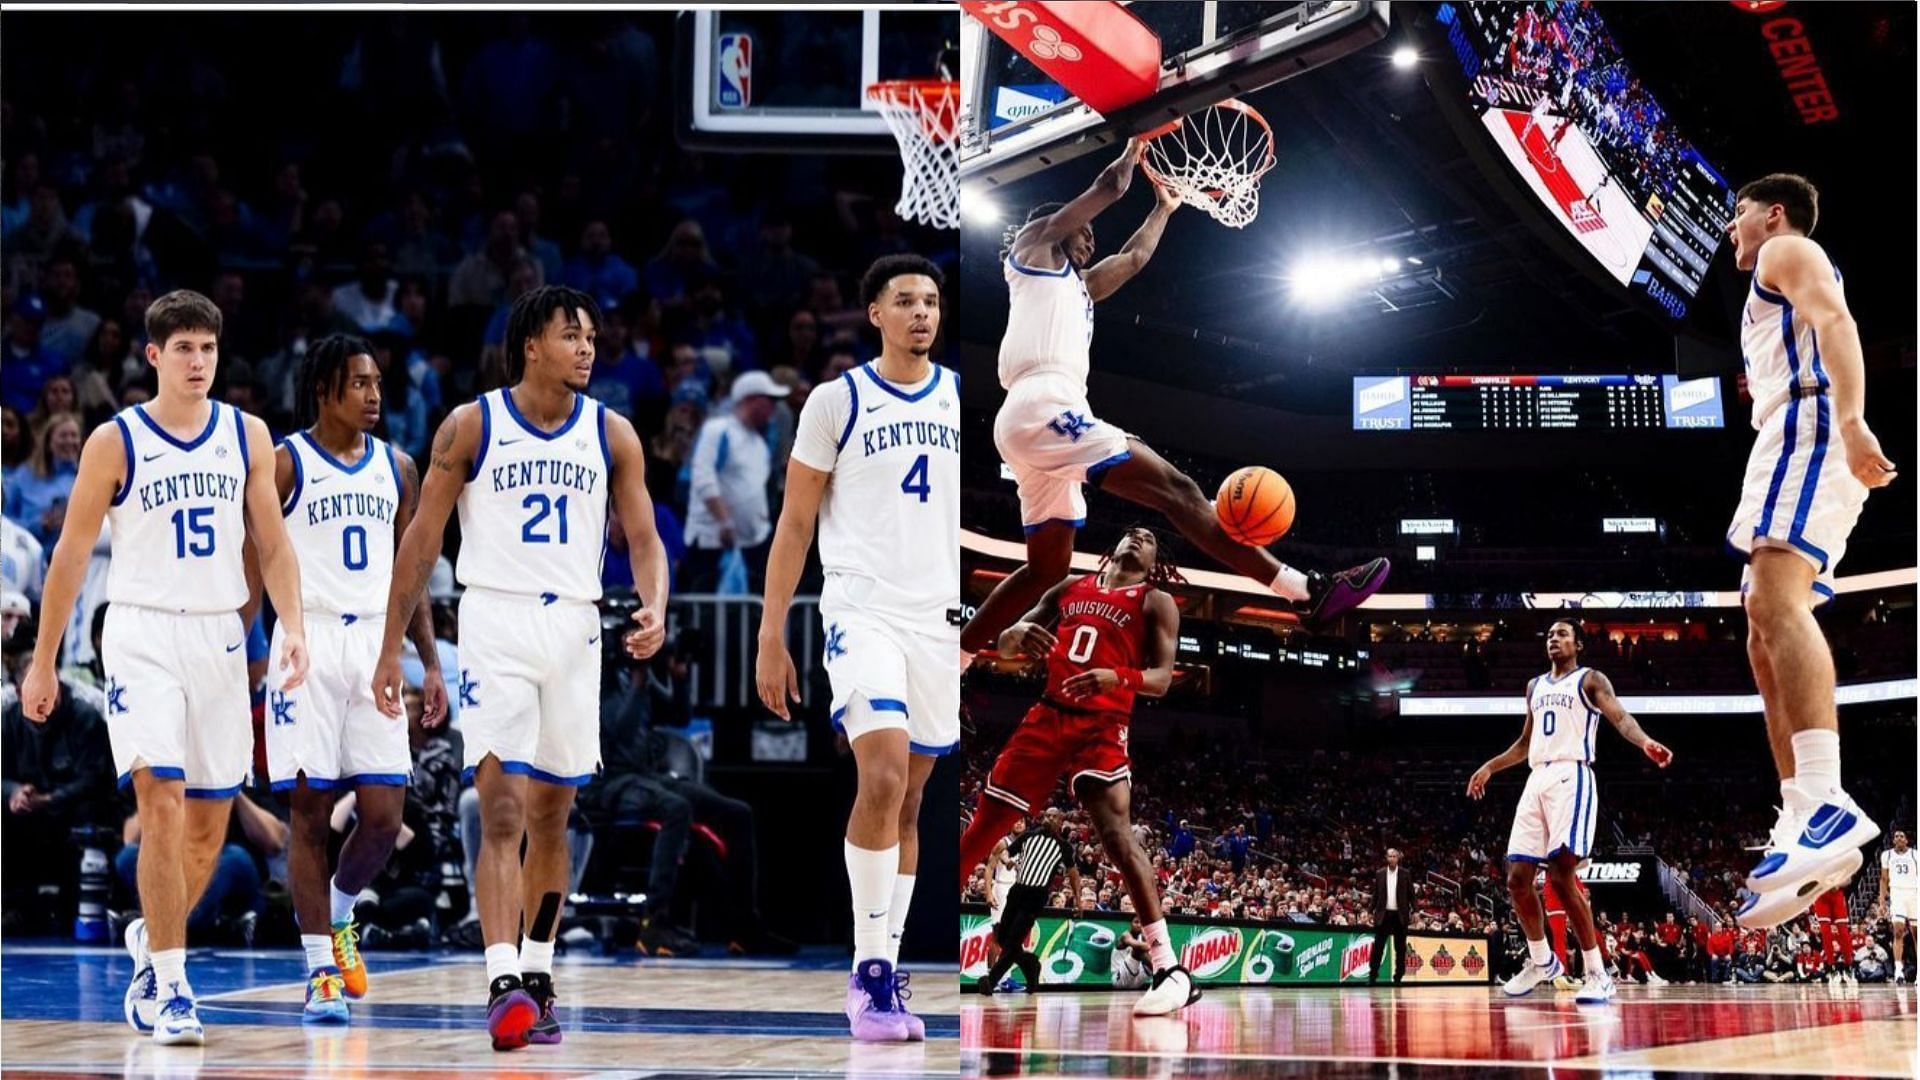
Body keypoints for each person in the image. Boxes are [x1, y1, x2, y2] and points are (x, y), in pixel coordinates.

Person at [372, 284, 669, 1051]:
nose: (587, 348)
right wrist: (389, 646)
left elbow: (643, 539)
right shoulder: (472, 424)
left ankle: (537, 970)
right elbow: (421, 543)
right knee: (500, 809)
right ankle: (501, 977)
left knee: (554, 817)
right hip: (496, 619)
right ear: (531, 343)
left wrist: (655, 606)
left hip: (574, 625)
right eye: (572, 335)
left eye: (593, 336)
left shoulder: (614, 435)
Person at [18, 289, 312, 1046]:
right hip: (142, 633)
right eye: (183, 349)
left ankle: (154, 946)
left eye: (208, 349)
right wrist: (43, 663)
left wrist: (293, 630)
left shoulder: (248, 435)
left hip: (220, 636)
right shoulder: (116, 442)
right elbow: (71, 558)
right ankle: (176, 989)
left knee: (210, 828)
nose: (198, 362)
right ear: (153, 356)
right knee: (161, 801)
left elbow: (273, 545)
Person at [960, 140, 1389, 656]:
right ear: (1058, 225)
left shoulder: (1081, 288)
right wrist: (1136, 141)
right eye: (1084, 225)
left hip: (1042, 416)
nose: (1091, 233)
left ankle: (957, 662)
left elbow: (1135, 257)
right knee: (1177, 489)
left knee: (1045, 570)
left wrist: (1163, 207)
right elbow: (1109, 186)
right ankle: (1306, 591)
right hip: (1042, 404)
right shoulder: (1032, 249)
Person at [755, 254, 957, 1043]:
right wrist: (773, 633)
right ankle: (868, 975)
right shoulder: (835, 402)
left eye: (932, 302)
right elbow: (795, 523)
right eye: (904, 301)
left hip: (937, 619)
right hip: (862, 609)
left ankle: (889, 974)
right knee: (878, 771)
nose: (920, 313)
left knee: (909, 798)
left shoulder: (958, 396)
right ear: (874, 312)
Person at [250, 333, 449, 1024]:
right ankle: (317, 975)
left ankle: (338, 916)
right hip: (307, 639)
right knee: (307, 814)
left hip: (375, 641)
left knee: (383, 816)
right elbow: (259, 560)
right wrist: (246, 644)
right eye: (359, 384)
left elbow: (412, 574)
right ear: (325, 390)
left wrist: (427, 659)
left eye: (377, 385)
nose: (373, 396)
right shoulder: (284, 463)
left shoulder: (399, 467)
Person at [1722, 174, 1895, 928]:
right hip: (1785, 434)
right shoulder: (1769, 278)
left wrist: (1853, 421)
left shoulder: (1785, 248)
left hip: (1812, 425)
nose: (1733, 228)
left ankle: (1825, 797)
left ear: (1774, 212)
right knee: (1760, 624)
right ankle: (1801, 815)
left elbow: (1836, 319)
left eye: (1738, 213)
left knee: (1775, 602)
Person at [957, 526, 1196, 1016]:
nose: (1136, 537)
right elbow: (1005, 645)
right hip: (1048, 713)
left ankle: (1169, 968)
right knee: (987, 826)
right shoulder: (1069, 588)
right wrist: (1013, 635)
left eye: (1147, 538)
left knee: (1116, 836)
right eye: (1130, 532)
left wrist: (1119, 676)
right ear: (1113, 546)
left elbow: (1161, 679)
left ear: (1154, 562)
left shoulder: (1156, 602)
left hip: (1104, 723)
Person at [1468, 619, 1672, 1004]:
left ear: (1578, 643)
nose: (1553, 639)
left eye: (1562, 634)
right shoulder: (1534, 687)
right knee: (1517, 879)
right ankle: (1542, 961)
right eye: (1549, 634)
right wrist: (1490, 766)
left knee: (1562, 875)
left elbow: (1620, 718)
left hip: (1571, 775)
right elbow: (1525, 743)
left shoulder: (1590, 680)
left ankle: (1598, 972)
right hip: (1537, 778)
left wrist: (1645, 742)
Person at [681, 370, 787, 593]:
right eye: (770, 401)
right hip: (712, 543)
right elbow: (703, 478)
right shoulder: (719, 431)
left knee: (747, 616)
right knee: (708, 615)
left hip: (752, 544)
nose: (774, 408)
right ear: (752, 400)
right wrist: (724, 521)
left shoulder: (759, 443)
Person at [978, 807, 1081, 995]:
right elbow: (1004, 852)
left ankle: (991, 982)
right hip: (1016, 891)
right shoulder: (1028, 836)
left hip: (1035, 896)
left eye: (1054, 816)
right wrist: (1008, 860)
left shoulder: (1063, 847)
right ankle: (1031, 964)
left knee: (1012, 941)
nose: (1049, 818)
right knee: (1002, 937)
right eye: (1047, 815)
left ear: (1061, 821)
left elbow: (1073, 874)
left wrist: (1078, 900)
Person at [1369, 848, 1413, 985]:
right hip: (1384, 914)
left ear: (1398, 858)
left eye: (1395, 856)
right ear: (1386, 858)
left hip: (1400, 915)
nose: (1392, 858)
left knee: (1400, 948)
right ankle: (1372, 976)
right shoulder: (1380, 873)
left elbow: (1412, 894)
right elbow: (1376, 894)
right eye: (1390, 856)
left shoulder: (1405, 874)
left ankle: (1398, 977)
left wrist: (1416, 910)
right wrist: (1370, 909)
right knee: (1378, 947)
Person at [1876, 829, 1916, 984]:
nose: (1898, 838)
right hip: (1897, 895)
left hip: (1914, 894)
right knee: (1898, 932)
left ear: (1906, 840)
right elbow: (1884, 879)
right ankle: (1899, 971)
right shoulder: (1886, 855)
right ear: (1893, 840)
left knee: (1916, 935)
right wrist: (1881, 902)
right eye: (1896, 836)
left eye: (1902, 836)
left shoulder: (1915, 855)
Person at [1810, 882, 1856, 988]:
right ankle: (1832, 967)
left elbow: (1849, 879)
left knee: (1843, 933)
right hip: (1820, 893)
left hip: (1837, 893)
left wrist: (1839, 884)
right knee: (1826, 933)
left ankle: (1848, 966)